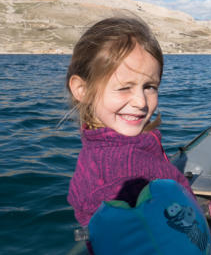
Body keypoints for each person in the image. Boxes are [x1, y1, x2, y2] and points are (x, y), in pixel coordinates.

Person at [66, 16, 193, 227]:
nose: (141, 102)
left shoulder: (125, 144)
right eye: (125, 87)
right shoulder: (121, 173)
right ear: (82, 90)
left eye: (150, 86)